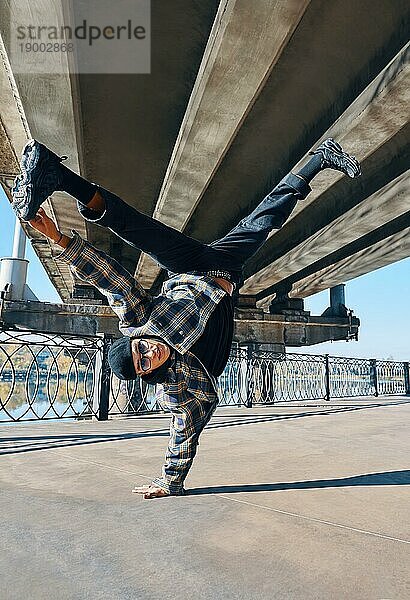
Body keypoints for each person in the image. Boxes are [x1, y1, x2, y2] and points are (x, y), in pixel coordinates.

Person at [12, 138, 360, 498]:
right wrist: (170, 481)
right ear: (148, 374)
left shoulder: (140, 319)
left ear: (136, 338)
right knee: (266, 218)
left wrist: (58, 238)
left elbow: (110, 278)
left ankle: (55, 175)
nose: (149, 354)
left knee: (132, 226)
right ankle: (320, 157)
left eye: (140, 348)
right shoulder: (179, 388)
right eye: (144, 364)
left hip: (188, 269)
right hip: (225, 266)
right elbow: (184, 432)